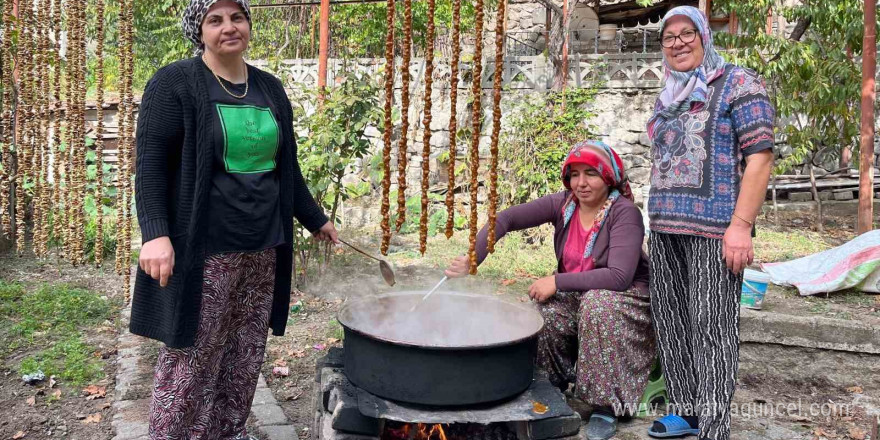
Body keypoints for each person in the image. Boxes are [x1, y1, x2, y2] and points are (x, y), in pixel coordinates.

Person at [131, 1, 338, 438]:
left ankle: (227, 432)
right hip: (204, 250)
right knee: (192, 357)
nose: (229, 27)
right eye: (216, 20)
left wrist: (315, 218)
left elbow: (286, 168)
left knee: (244, 354)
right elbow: (150, 165)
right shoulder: (175, 84)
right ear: (199, 30)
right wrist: (155, 235)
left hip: (264, 246)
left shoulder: (270, 88)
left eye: (237, 17)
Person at [446, 141, 655, 440]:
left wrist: (556, 281)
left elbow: (619, 276)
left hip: (624, 299)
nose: (581, 183)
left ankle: (605, 407)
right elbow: (505, 219)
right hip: (581, 295)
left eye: (591, 174)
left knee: (598, 305)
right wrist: (474, 258)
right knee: (540, 313)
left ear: (608, 176)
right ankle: (553, 386)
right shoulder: (564, 204)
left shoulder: (624, 214)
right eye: (574, 174)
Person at [645, 6, 775, 440]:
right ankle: (686, 410)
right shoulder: (668, 93)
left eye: (687, 34)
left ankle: (714, 426)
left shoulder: (740, 83)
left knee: (713, 327)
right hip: (665, 228)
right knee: (671, 320)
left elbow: (760, 158)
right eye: (669, 37)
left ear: (704, 36)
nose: (677, 43)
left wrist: (740, 226)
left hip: (716, 229)